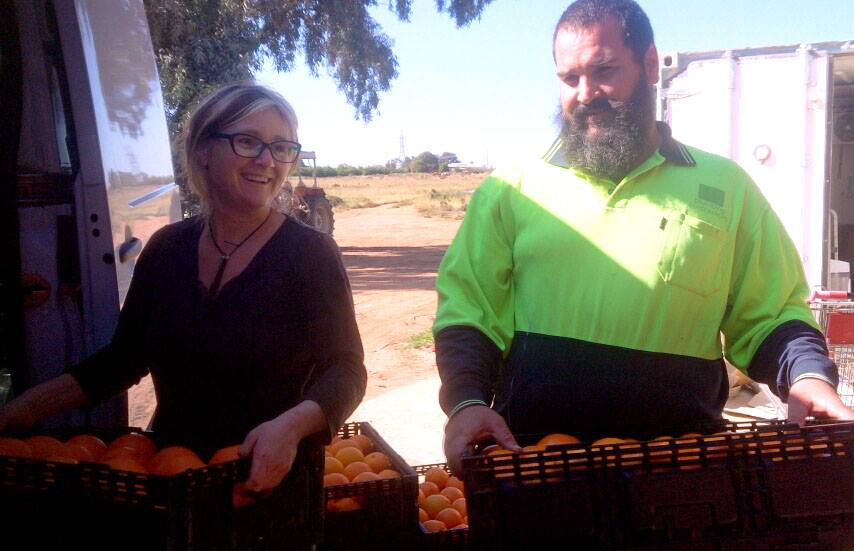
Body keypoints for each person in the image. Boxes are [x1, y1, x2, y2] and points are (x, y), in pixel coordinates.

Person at [435, 0, 854, 474]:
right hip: (536, 469)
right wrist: (466, 401)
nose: (585, 92)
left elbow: (771, 314)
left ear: (650, 64)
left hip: (683, 475)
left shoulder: (727, 188)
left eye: (604, 70)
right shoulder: (510, 190)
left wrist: (809, 377)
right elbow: (469, 309)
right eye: (569, 78)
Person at [0, 83, 367, 492]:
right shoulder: (167, 248)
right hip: (170, 477)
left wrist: (291, 426)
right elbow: (122, 360)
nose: (266, 160)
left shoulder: (310, 253)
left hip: (266, 483)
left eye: (281, 147)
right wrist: (24, 408)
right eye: (248, 141)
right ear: (203, 150)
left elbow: (347, 369)